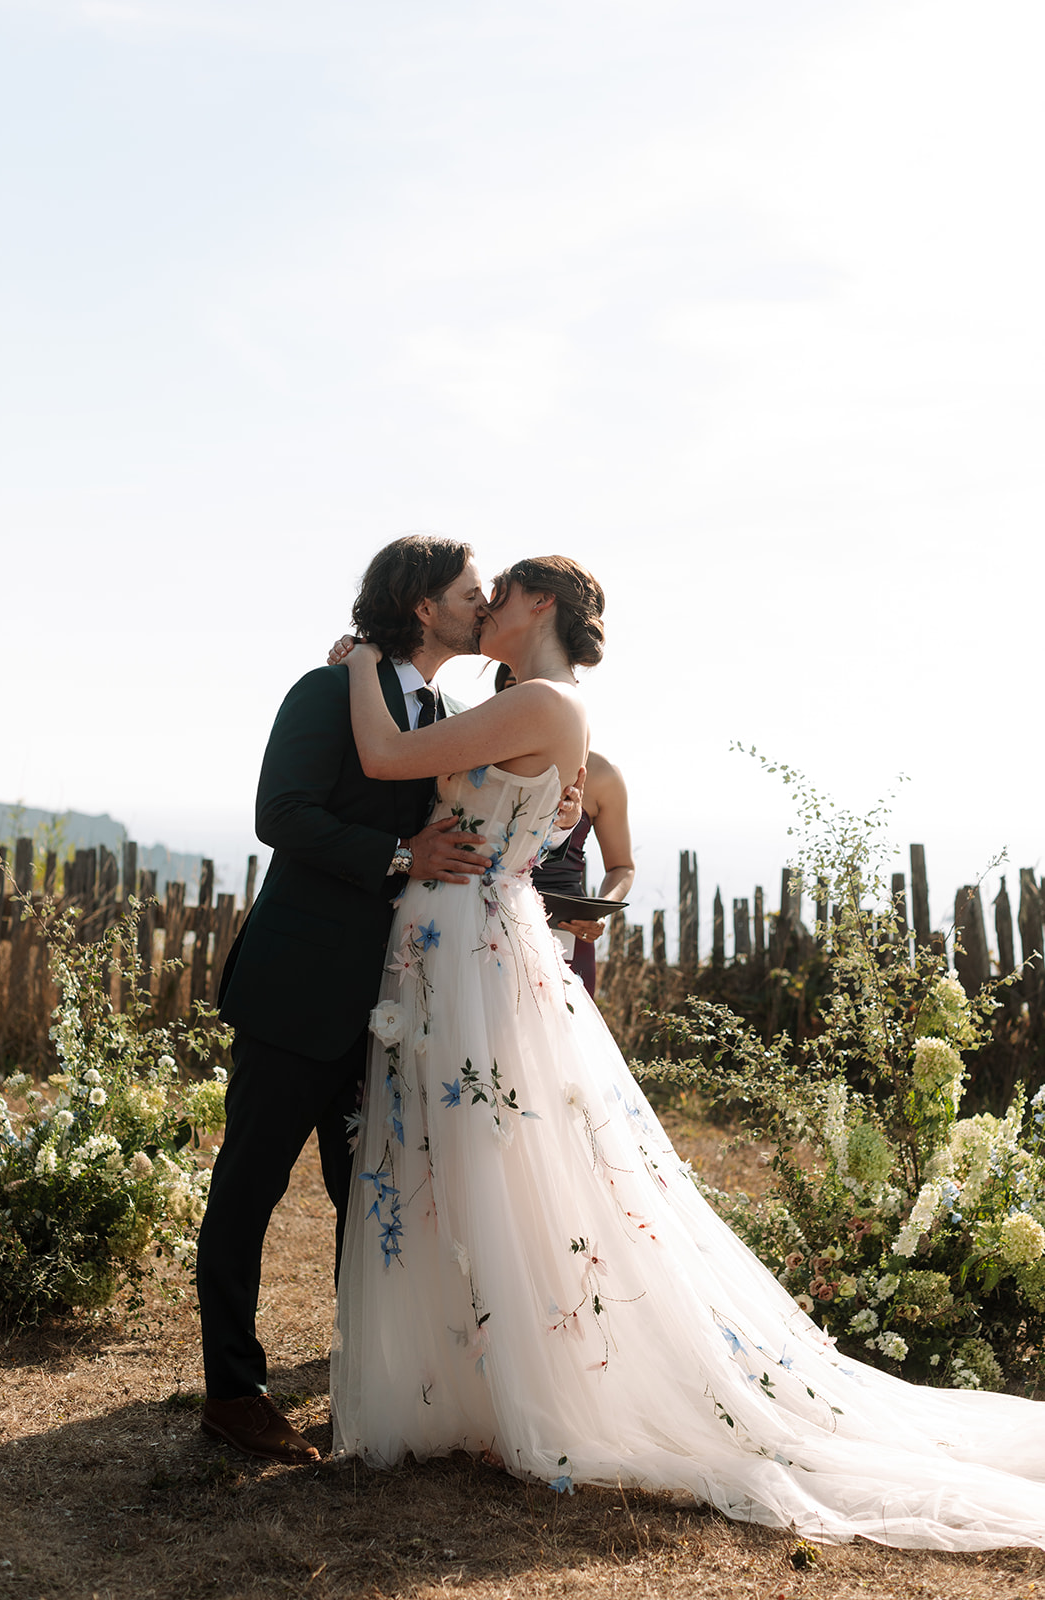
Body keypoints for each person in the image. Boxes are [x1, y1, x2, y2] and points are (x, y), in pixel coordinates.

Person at [330, 554, 1045, 1552]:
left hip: (474, 951)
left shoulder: (540, 702)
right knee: (459, 1158)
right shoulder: (525, 704)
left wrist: (362, 660)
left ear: (536, 603)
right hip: (453, 944)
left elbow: (378, 755)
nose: (481, 610)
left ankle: (526, 1391)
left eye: (496, 597)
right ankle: (474, 1387)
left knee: (490, 1155)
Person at [195, 534, 494, 1465]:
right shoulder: (325, 693)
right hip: (297, 989)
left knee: (370, 1201)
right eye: (470, 593)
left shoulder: (443, 710)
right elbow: (279, 814)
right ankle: (233, 1394)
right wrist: (403, 857)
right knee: (249, 1189)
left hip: (390, 1005)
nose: (482, 606)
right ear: (422, 607)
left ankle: (361, 1370)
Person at [494, 661, 634, 995]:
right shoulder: (484, 763)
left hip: (568, 927)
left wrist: (600, 911)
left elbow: (622, 866)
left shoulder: (602, 775)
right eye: (512, 687)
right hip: (494, 920)